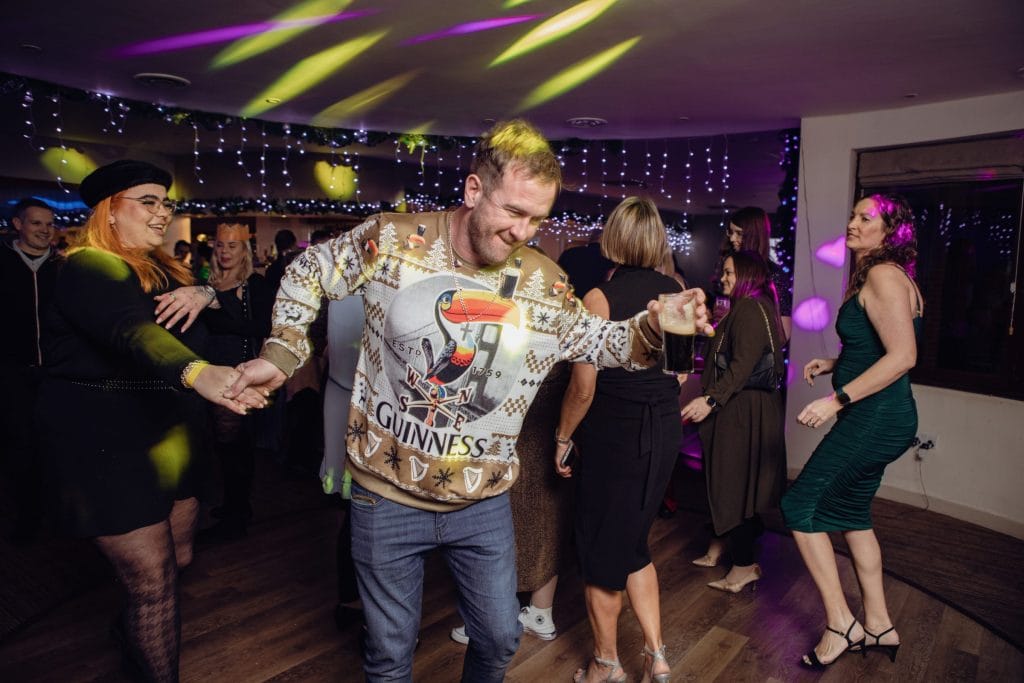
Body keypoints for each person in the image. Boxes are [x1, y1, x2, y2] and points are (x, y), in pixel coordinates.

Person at [226, 120, 712, 682]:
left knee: (502, 637)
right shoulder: (393, 239)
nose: (524, 232)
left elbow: (599, 343)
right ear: (474, 190)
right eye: (513, 212)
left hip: (481, 501)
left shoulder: (543, 282)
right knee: (388, 654)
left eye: (537, 219)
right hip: (386, 495)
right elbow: (308, 271)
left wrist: (653, 328)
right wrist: (282, 352)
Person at [38, 160, 266, 681]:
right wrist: (199, 373)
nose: (163, 211)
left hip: (170, 432)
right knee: (153, 580)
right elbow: (131, 334)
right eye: (148, 201)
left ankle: (130, 631)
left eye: (166, 202)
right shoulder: (87, 265)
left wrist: (207, 291)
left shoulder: (167, 270)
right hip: (105, 439)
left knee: (179, 558)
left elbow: (238, 318)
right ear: (110, 211)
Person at [780, 193, 922, 670]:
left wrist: (835, 398)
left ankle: (841, 623)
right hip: (885, 415)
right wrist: (835, 363)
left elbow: (904, 356)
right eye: (854, 215)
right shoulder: (889, 275)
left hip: (874, 416)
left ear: (891, 231)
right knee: (853, 513)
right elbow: (879, 346)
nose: (853, 222)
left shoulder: (882, 275)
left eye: (866, 218)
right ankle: (880, 624)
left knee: (798, 506)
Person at [554, 197, 682, 683]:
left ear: (613, 239)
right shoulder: (676, 291)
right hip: (664, 426)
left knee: (601, 549)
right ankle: (657, 656)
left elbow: (583, 388)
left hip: (616, 433)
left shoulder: (598, 299)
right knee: (632, 542)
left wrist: (562, 437)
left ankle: (606, 664)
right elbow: (682, 373)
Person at [681, 250, 786, 593]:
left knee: (734, 490)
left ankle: (742, 568)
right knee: (741, 489)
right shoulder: (752, 306)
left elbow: (741, 365)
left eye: (728, 272)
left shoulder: (749, 308)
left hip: (741, 411)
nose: (722, 278)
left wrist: (710, 399)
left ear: (747, 275)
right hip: (745, 408)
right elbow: (731, 348)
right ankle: (738, 558)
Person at [450, 362, 574, 645]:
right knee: (547, 508)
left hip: (523, 405)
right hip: (555, 410)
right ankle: (541, 612)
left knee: (501, 509)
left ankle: (488, 620)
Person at [197, 223, 274, 541]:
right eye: (220, 246)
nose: (225, 252)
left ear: (244, 250)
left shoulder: (253, 283)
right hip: (208, 371)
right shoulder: (207, 281)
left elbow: (261, 326)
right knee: (222, 448)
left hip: (239, 375)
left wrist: (215, 311)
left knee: (236, 447)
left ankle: (237, 515)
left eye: (232, 246)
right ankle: (233, 507)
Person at [0, 198, 61, 545]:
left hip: (54, 372)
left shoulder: (61, 267)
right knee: (20, 445)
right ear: (18, 225)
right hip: (12, 371)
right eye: (37, 223)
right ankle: (27, 518)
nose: (44, 230)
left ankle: (57, 514)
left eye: (49, 224)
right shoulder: (3, 262)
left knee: (54, 443)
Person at [720, 207, 793, 341]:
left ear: (754, 235)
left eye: (739, 233)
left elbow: (783, 334)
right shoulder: (730, 267)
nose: (732, 238)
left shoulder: (772, 274)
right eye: (730, 232)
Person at [557, 229, 614, 299]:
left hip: (568, 297)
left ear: (591, 238)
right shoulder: (608, 259)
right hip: (593, 300)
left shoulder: (570, 252)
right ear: (605, 240)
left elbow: (557, 275)